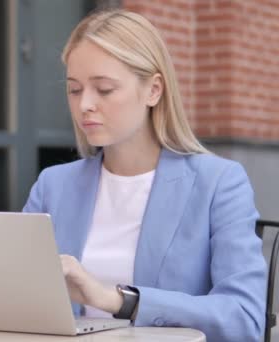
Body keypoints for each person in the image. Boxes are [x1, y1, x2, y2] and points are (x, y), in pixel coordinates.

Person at [22, 9, 266, 342]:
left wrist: (118, 300)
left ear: (153, 90)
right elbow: (17, 293)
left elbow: (244, 317)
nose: (85, 105)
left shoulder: (218, 183)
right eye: (75, 90)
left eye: (104, 89)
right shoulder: (53, 184)